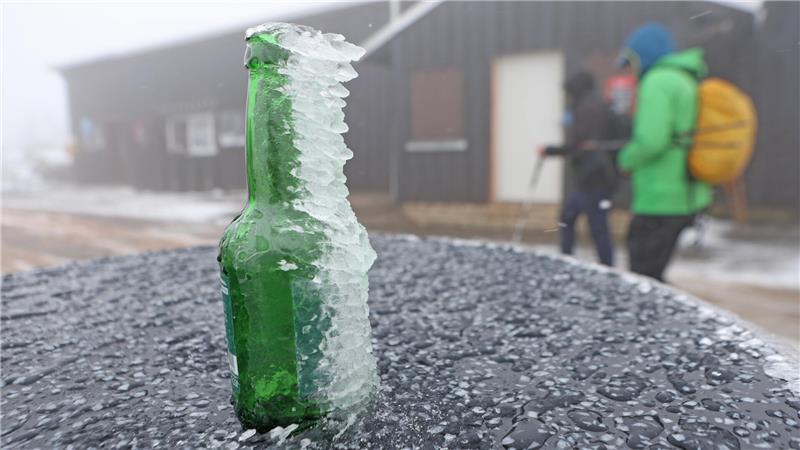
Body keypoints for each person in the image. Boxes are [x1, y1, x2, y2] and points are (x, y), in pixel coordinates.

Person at [616, 23, 713, 282]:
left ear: (645, 55)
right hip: (686, 194)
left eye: (632, 61)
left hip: (660, 197)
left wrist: (625, 158)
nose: (632, 70)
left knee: (643, 281)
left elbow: (651, 141)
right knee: (655, 276)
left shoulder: (657, 81)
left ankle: (648, 323)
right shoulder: (686, 79)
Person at [541, 71, 620, 267]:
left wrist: (551, 150)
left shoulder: (588, 109)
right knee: (569, 216)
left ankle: (606, 268)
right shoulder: (594, 105)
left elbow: (581, 145)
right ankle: (568, 258)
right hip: (593, 176)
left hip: (595, 176)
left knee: (596, 225)